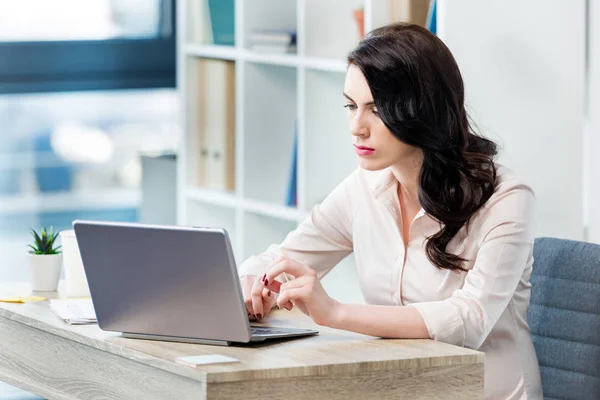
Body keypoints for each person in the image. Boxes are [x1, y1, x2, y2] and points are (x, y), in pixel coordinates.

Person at [237, 23, 543, 400]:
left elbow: (469, 321)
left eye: (377, 110)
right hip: (397, 388)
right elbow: (282, 258)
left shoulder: (506, 197)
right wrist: (253, 283)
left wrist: (334, 312)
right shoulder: (364, 187)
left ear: (422, 110)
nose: (357, 128)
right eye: (351, 106)